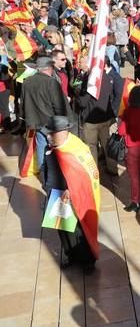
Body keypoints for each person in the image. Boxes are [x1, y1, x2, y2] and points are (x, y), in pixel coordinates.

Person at [44, 115, 97, 272]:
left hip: (74, 197)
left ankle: (87, 261)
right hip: (55, 193)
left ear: (63, 132)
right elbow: (46, 168)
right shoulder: (50, 148)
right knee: (63, 229)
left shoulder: (77, 149)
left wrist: (71, 190)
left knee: (79, 229)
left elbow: (87, 173)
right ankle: (71, 255)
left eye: (51, 133)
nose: (48, 136)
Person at [22, 56, 71, 184]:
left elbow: (23, 102)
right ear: (49, 68)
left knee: (41, 147)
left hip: (35, 122)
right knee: (57, 149)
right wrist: (63, 122)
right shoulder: (51, 82)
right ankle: (56, 176)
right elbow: (58, 105)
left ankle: (43, 176)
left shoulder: (27, 81)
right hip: (52, 123)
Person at [76, 57, 119, 176]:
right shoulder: (108, 77)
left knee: (91, 146)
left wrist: (78, 95)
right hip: (105, 118)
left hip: (91, 120)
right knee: (107, 145)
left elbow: (83, 102)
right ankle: (112, 168)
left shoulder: (91, 79)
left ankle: (93, 173)